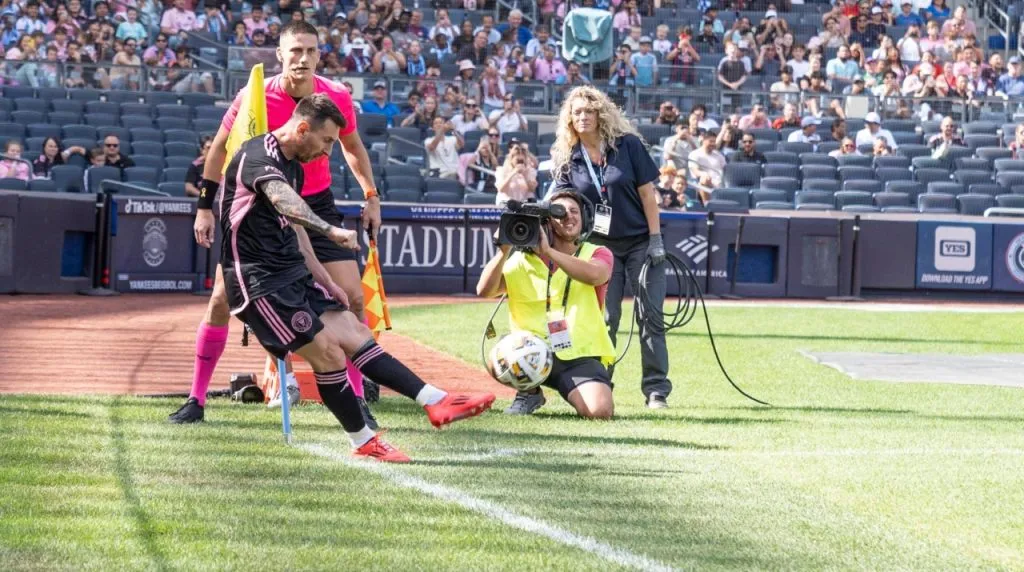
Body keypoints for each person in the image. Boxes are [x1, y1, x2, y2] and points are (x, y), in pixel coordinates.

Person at [220, 94, 494, 461]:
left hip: (292, 272)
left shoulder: (295, 165)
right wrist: (332, 232)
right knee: (329, 354)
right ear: (302, 128)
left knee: (354, 331)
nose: (328, 151)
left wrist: (324, 279)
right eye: (327, 141)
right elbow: (285, 201)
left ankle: (436, 401)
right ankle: (363, 440)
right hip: (260, 283)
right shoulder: (258, 157)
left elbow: (296, 230)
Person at [169, 21, 383, 426]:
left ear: (320, 56)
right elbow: (218, 149)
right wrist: (203, 205)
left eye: (311, 51)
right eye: (295, 51)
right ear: (280, 55)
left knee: (352, 299)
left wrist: (371, 196)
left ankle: (358, 402)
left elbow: (353, 148)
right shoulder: (254, 95)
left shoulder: (335, 95)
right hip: (261, 206)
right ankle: (195, 400)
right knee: (219, 301)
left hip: (317, 202)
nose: (303, 58)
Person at [550, 86, 671, 409]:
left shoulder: (627, 146)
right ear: (570, 120)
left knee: (651, 316)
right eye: (577, 113)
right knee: (605, 318)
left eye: (589, 111)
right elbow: (561, 203)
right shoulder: (569, 160)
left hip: (642, 243)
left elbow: (648, 195)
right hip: (599, 248)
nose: (583, 117)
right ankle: (601, 382)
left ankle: (656, 390)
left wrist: (656, 239)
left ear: (601, 114)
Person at [476, 191, 615, 418]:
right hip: (532, 352)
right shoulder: (522, 259)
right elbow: (485, 290)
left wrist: (549, 252)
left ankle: (585, 387)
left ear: (584, 219)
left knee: (599, 412)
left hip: (579, 356)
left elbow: (595, 276)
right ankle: (529, 392)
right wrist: (503, 250)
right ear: (547, 221)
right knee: (497, 356)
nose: (569, 217)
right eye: (560, 213)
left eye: (574, 212)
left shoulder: (597, 253)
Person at [494, 140, 538, 205]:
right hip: (506, 204)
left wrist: (524, 175)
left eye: (522, 161)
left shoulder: (530, 171)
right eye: (518, 161)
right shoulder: (502, 170)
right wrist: (513, 172)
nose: (520, 163)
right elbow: (501, 189)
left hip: (524, 205)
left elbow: (532, 189)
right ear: (511, 159)